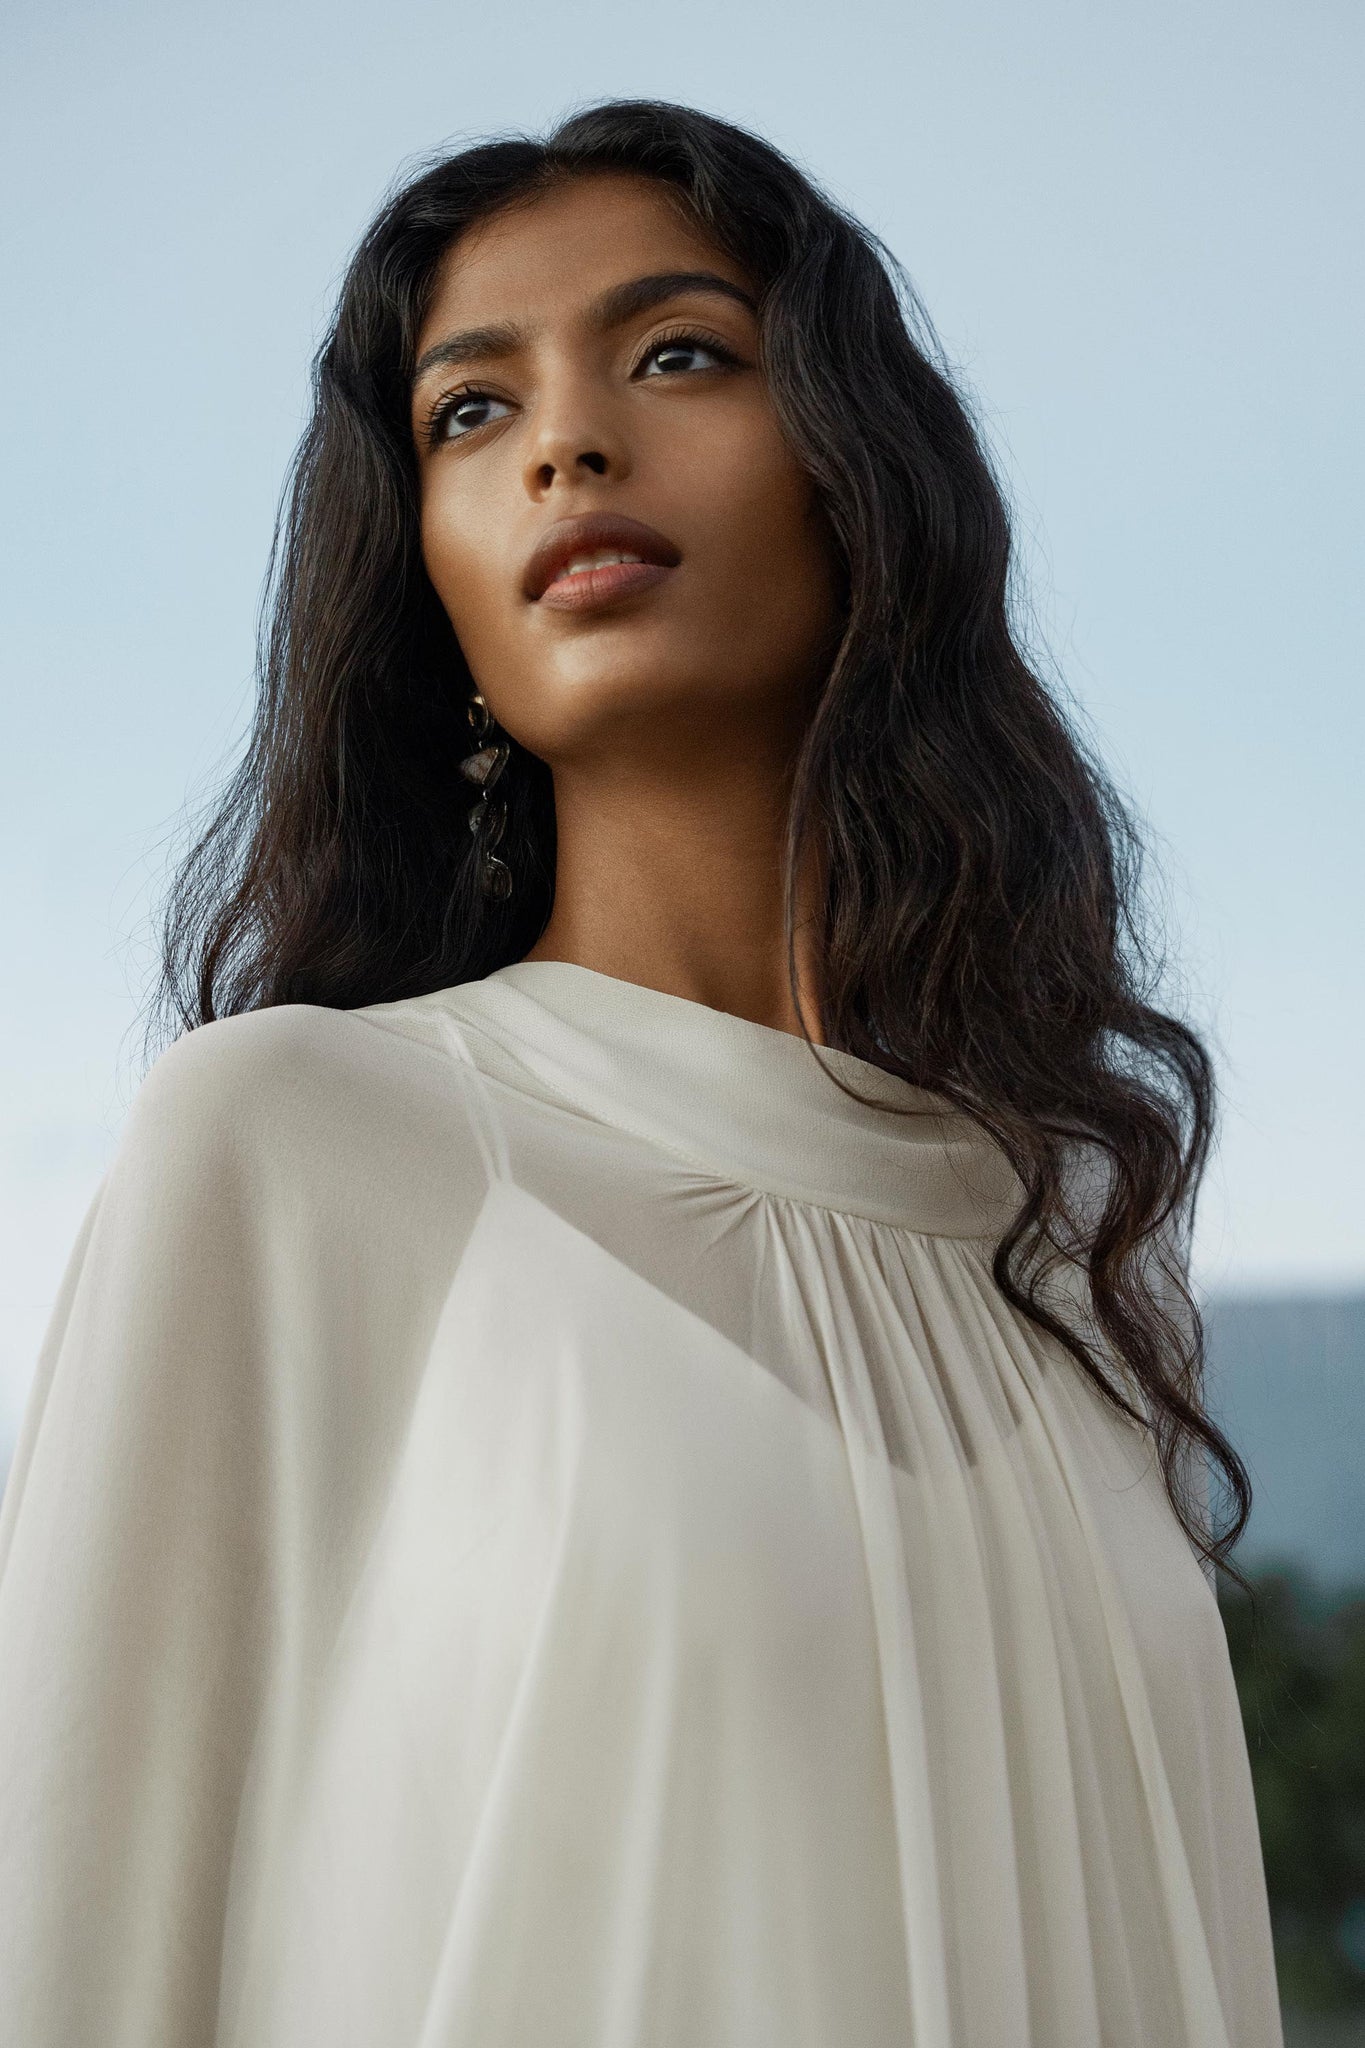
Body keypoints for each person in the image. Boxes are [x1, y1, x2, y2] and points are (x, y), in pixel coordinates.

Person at [0, 99, 1283, 2047]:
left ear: (857, 474)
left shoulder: (1078, 1237)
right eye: (466, 413)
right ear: (422, 571)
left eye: (675, 354)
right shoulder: (298, 1141)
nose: (566, 443)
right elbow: (77, 1954)